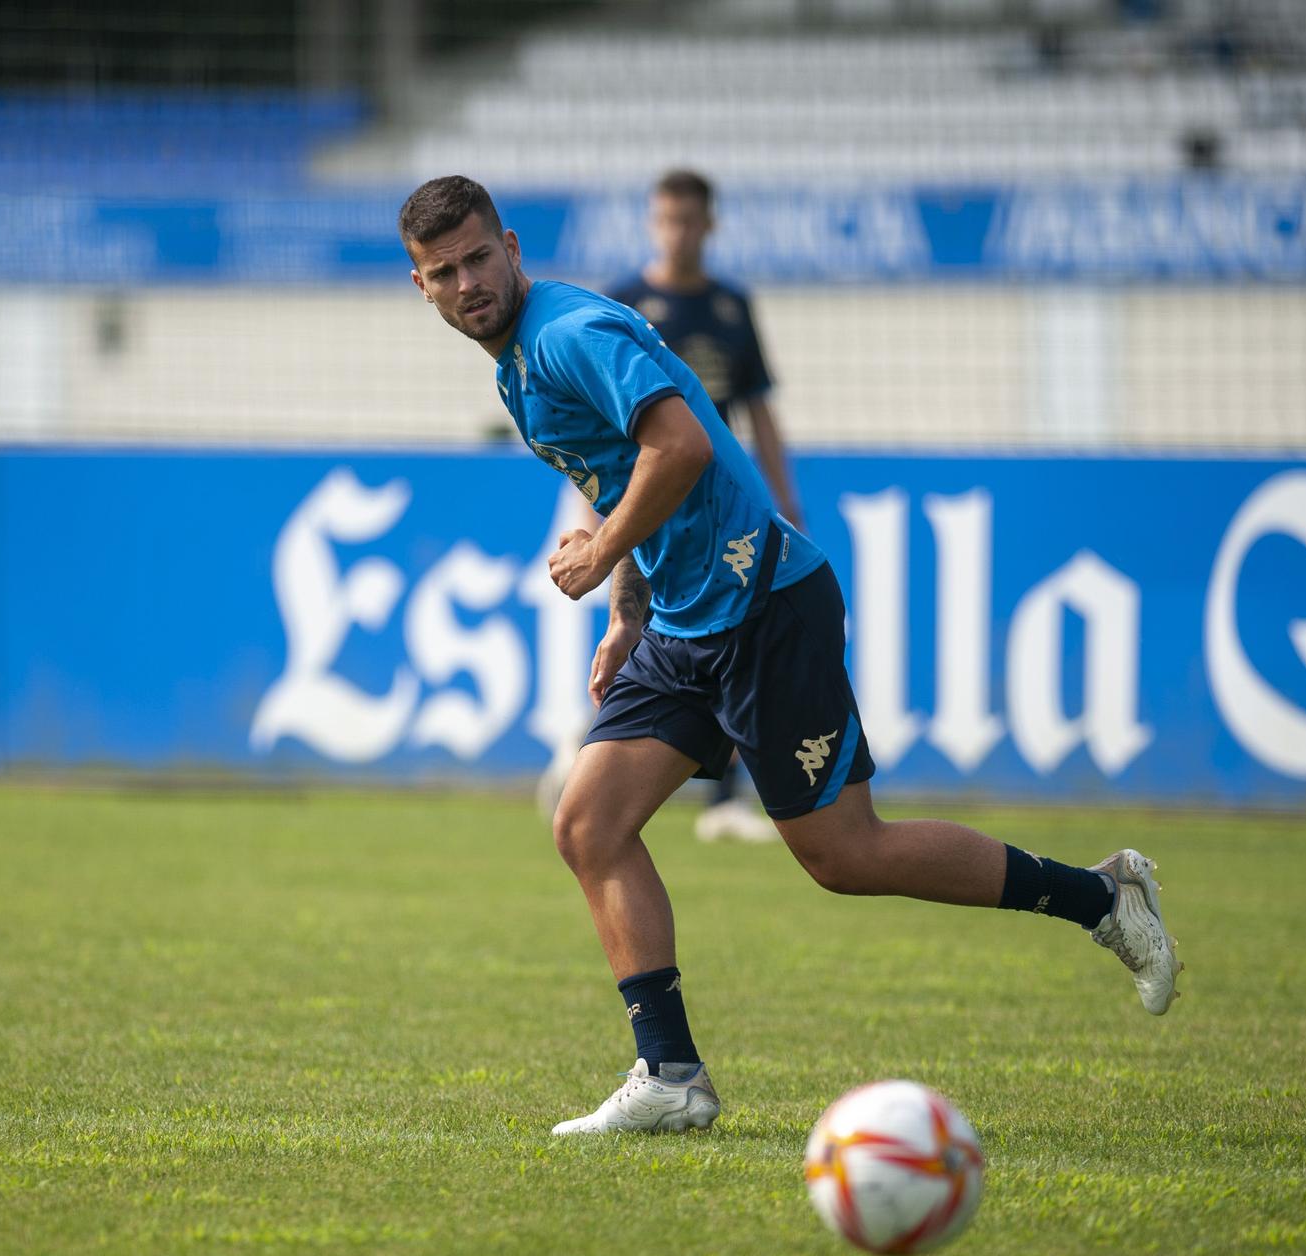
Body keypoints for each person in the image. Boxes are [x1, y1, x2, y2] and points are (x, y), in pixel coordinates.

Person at [397, 175, 1183, 1136]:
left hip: (764, 606)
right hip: (684, 622)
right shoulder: (516, 361)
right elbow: (625, 473)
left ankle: (1103, 896)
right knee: (588, 824)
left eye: (480, 257)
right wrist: (629, 613)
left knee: (848, 854)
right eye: (446, 272)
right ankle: (671, 1071)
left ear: (512, 247)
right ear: (421, 287)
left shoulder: (566, 334)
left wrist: (600, 556)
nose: (469, 281)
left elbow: (679, 447)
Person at [606, 169, 797, 845]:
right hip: (649, 506)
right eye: (666, 219)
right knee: (640, 632)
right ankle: (604, 756)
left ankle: (723, 794)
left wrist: (784, 497)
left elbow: (758, 409)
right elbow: (602, 425)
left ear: (709, 225)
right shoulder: (625, 305)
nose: (678, 232)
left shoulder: (731, 306)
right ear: (653, 222)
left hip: (723, 510)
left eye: (689, 220)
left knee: (731, 639)